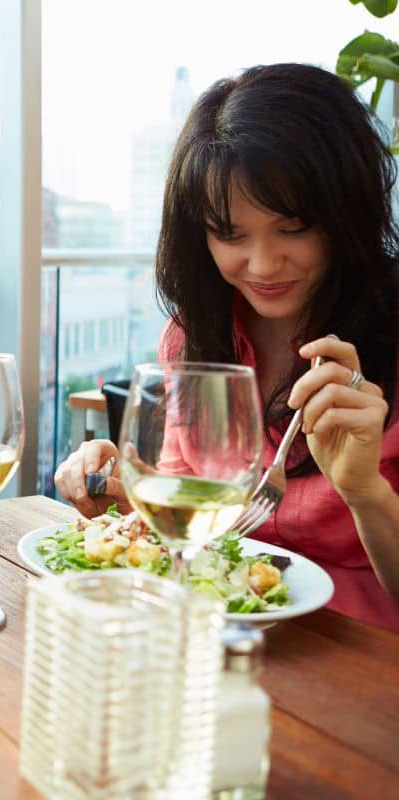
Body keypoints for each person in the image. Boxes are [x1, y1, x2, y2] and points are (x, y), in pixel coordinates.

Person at [55, 63, 399, 631]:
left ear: (345, 211)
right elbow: (185, 519)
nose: (263, 266)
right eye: (231, 235)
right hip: (221, 636)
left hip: (363, 664)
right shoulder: (194, 338)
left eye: (292, 228)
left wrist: (365, 493)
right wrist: (120, 495)